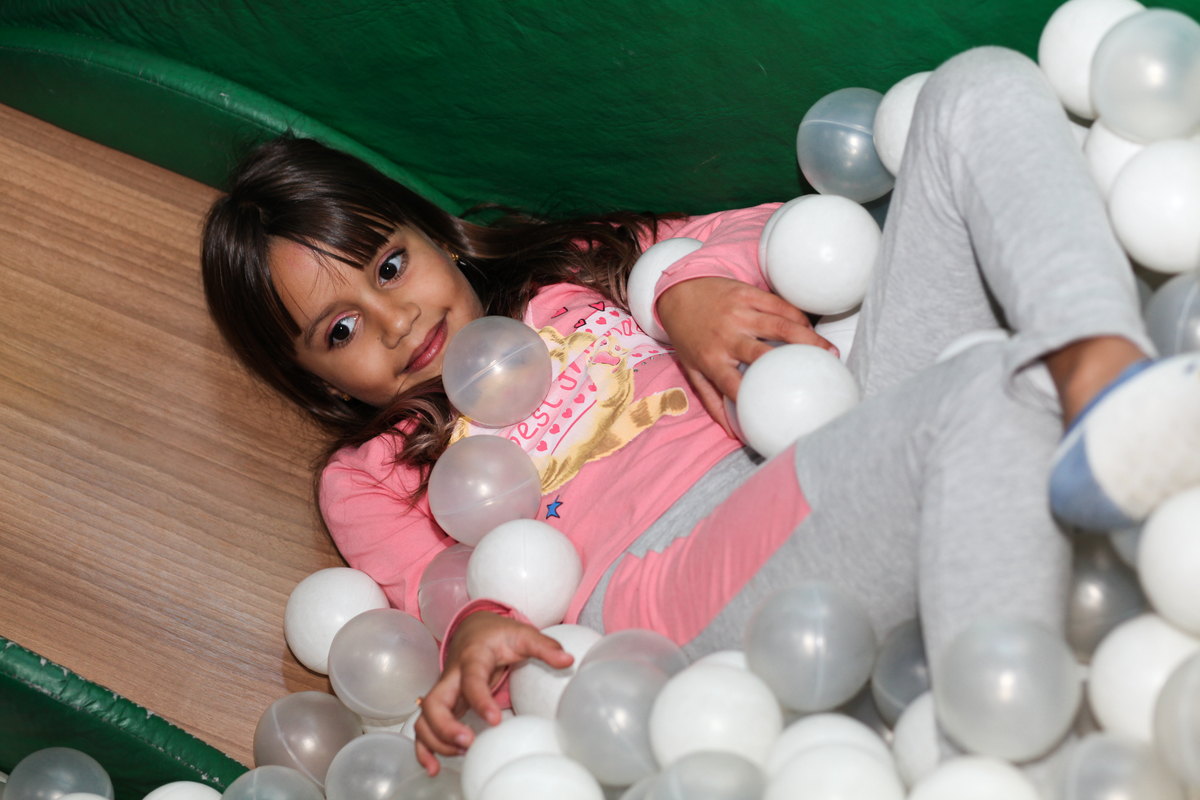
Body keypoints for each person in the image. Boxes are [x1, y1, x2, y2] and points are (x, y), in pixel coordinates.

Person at [201, 46, 1199, 774]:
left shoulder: (570, 278)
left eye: (388, 264)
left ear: (430, 233)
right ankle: (1010, 750)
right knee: (986, 392)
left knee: (974, 90)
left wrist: (682, 294)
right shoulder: (368, 472)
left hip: (818, 441)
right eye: (340, 331)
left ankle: (1102, 375)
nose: (395, 316)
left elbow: (780, 236)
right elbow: (435, 589)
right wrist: (476, 629)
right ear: (321, 379)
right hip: (676, 583)